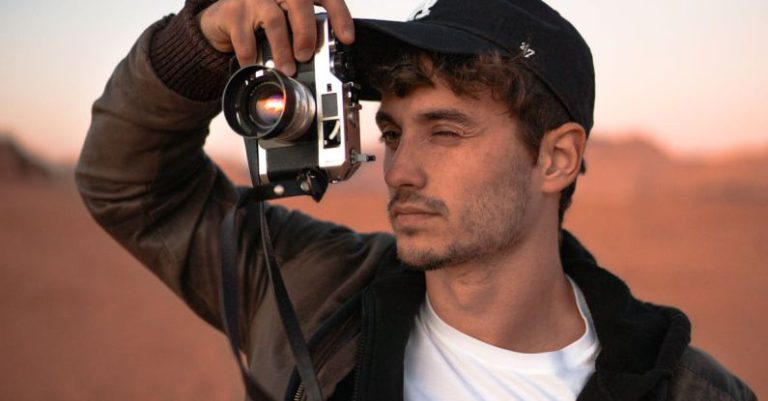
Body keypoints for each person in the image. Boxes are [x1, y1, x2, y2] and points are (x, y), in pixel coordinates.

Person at [76, 0, 756, 399]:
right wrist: (198, 40)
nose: (399, 169)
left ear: (556, 157)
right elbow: (132, 187)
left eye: (446, 130)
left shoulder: (685, 389)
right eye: (393, 132)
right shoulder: (317, 290)